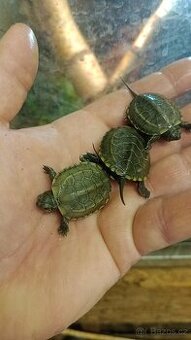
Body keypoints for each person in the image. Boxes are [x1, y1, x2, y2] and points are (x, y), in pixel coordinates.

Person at [1, 23, 191, 339]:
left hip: (114, 158)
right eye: (45, 202)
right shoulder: (63, 190)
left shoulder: (64, 186)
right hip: (111, 162)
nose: (42, 202)